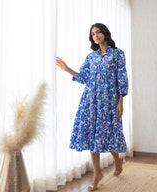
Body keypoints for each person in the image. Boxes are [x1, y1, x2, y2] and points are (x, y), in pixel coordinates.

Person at [56, 23, 128, 191]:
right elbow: (83, 78)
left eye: (98, 32)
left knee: (109, 133)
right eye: (93, 33)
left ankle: (117, 161)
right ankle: (97, 174)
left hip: (109, 101)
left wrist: (120, 101)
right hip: (90, 101)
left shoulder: (117, 54)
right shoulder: (91, 57)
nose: (96, 35)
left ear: (105, 33)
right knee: (92, 137)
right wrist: (67, 69)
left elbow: (122, 78)